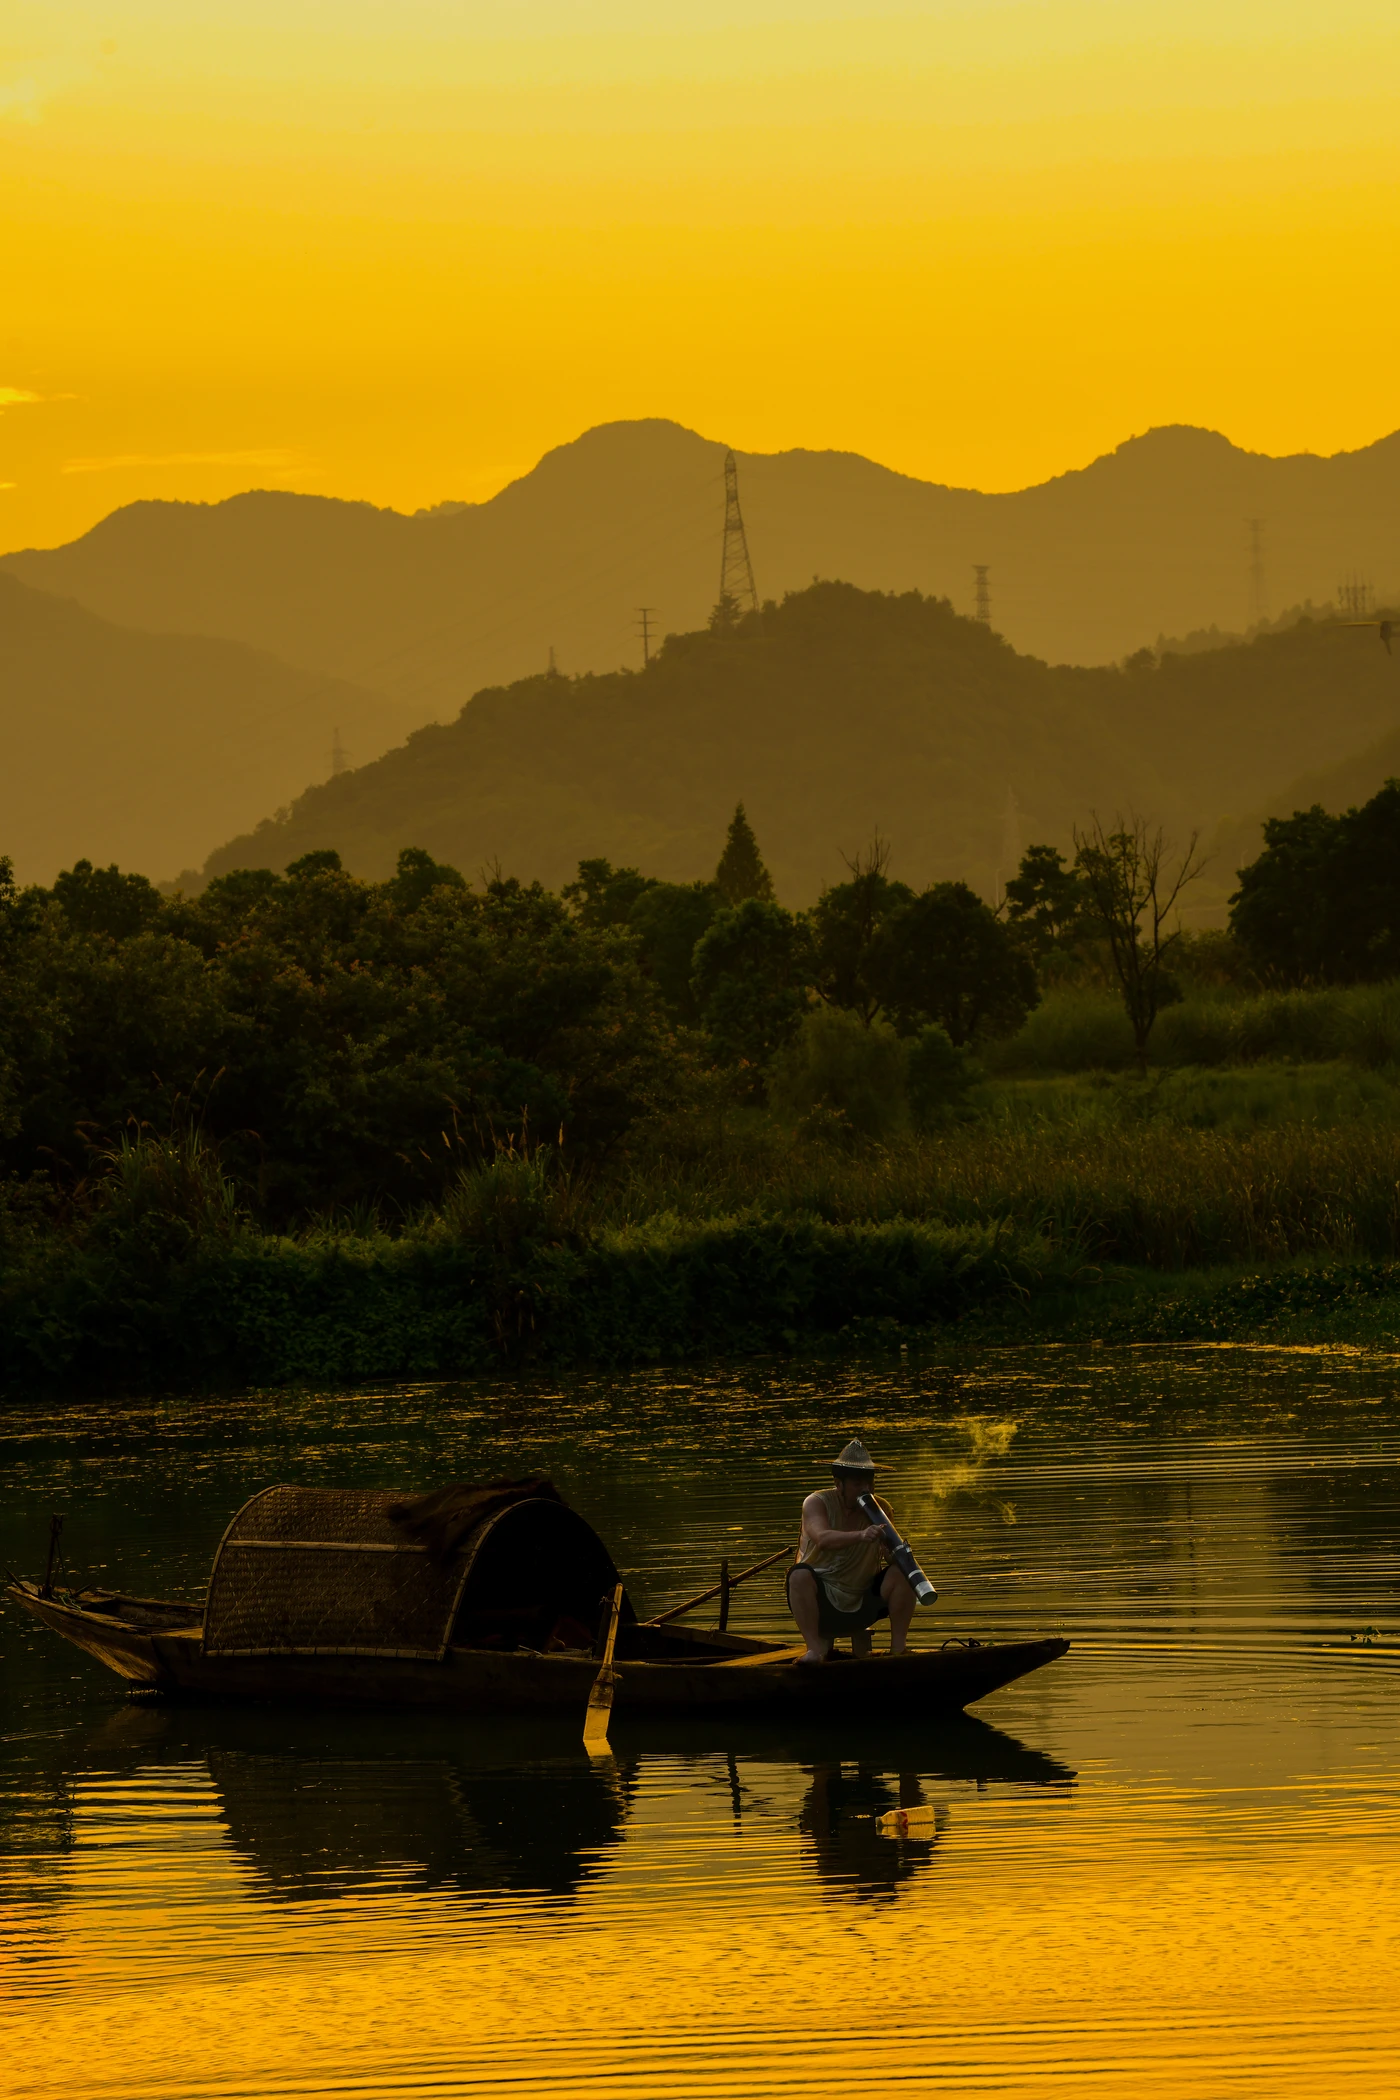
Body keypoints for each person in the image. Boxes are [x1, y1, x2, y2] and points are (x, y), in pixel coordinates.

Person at [787, 1438, 917, 1664]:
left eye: (869, 1482)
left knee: (902, 1571)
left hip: (863, 1603)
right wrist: (861, 1535)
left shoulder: (881, 1508)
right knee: (798, 1575)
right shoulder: (816, 1502)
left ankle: (899, 1649)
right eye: (857, 1483)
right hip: (822, 1605)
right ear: (839, 1484)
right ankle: (815, 1650)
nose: (866, 1489)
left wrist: (899, 1553)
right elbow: (823, 1538)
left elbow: (887, 1556)